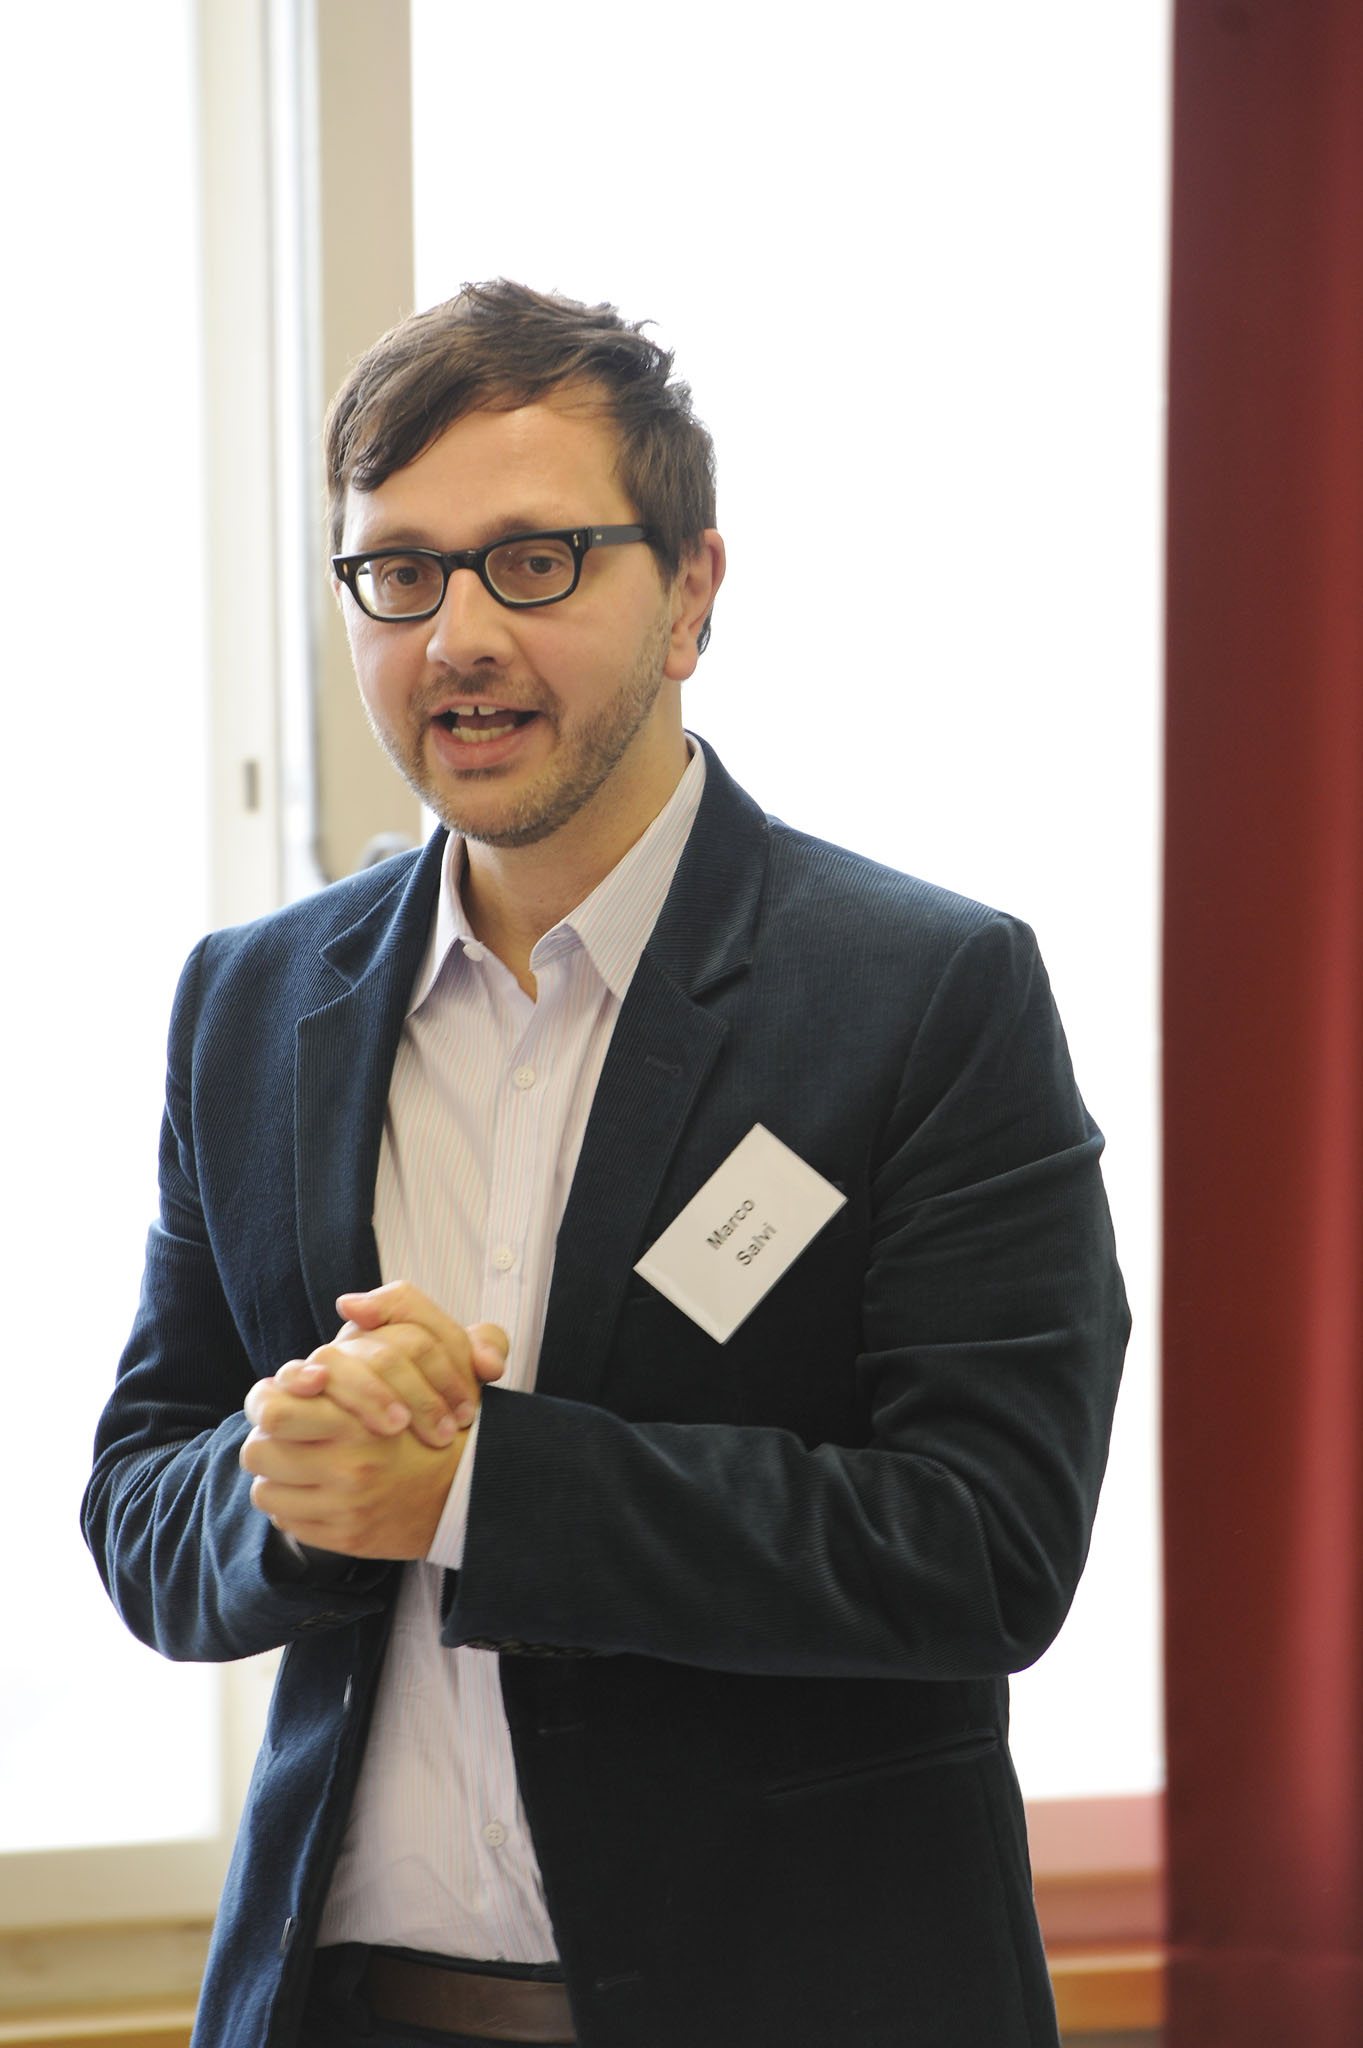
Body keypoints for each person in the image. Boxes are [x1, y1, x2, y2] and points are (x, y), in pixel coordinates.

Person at [83, 280, 1129, 2048]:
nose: (459, 636)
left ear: (693, 595)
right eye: (399, 572)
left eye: (535, 562)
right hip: (338, 2006)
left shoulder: (927, 993)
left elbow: (989, 1543)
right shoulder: (249, 1003)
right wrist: (297, 1476)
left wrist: (476, 1487)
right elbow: (140, 1504)